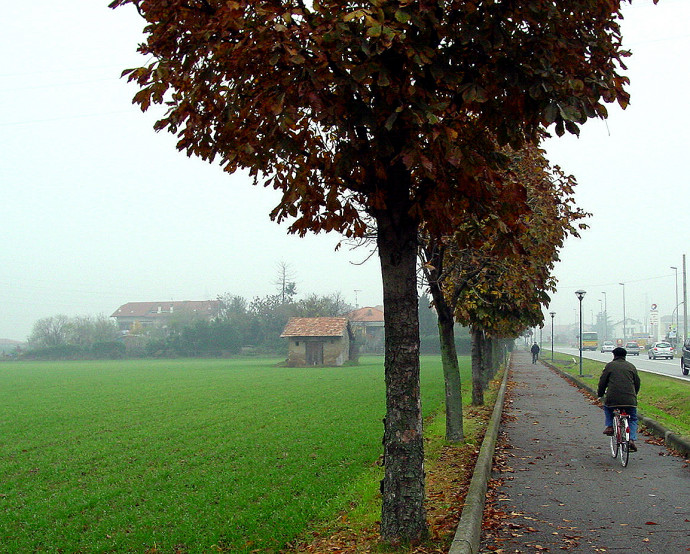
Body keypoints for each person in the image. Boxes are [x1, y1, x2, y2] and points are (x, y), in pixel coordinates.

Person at [597, 346, 641, 451]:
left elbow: (603, 382)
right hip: (630, 399)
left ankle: (610, 426)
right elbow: (637, 383)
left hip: (613, 399)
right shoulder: (631, 367)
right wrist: (634, 394)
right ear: (625, 355)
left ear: (614, 355)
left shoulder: (610, 366)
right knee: (633, 418)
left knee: (607, 408)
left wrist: (600, 394)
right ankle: (632, 439)